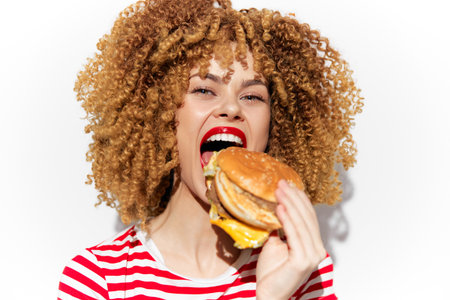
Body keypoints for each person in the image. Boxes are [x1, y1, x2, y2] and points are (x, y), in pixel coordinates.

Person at [58, 0, 363, 299]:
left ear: (275, 125)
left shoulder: (300, 269)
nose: (231, 107)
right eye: (204, 90)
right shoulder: (99, 277)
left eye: (253, 96)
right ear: (161, 114)